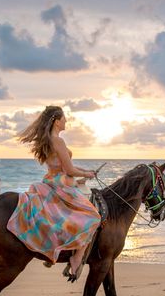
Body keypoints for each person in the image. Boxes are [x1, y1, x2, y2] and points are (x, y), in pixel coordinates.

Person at [7, 105, 101, 282]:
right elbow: (69, 169)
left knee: (60, 216)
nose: (66, 121)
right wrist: (86, 174)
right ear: (57, 121)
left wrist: (85, 171)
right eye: (64, 118)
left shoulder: (50, 139)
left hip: (51, 180)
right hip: (61, 184)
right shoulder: (58, 140)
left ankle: (56, 248)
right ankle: (76, 256)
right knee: (93, 216)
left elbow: (65, 166)